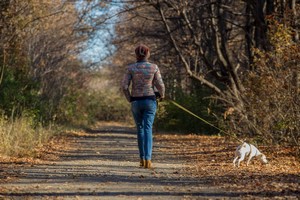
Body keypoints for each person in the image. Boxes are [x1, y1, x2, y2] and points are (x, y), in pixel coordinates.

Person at [121, 44, 165, 169]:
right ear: (148, 54)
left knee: (140, 129)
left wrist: (129, 98)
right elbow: (160, 85)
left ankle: (142, 159)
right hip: (150, 100)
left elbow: (124, 86)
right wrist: (162, 95)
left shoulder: (131, 68)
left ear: (136, 55)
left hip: (135, 101)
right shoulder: (154, 67)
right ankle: (148, 160)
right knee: (148, 128)